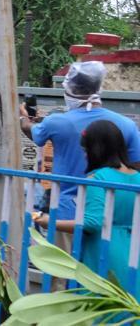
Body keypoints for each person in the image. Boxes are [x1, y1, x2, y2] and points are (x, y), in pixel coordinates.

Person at [21, 61, 140, 236]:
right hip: (111, 216)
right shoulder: (127, 125)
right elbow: (136, 165)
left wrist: (24, 119)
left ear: (71, 89)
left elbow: (32, 131)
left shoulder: (56, 122)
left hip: (65, 214)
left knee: (63, 262)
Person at [34, 120, 140, 285]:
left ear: (97, 150)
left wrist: (50, 222)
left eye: (86, 150)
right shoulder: (137, 178)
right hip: (133, 252)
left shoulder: (97, 179)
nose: (84, 155)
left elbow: (92, 222)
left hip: (104, 252)